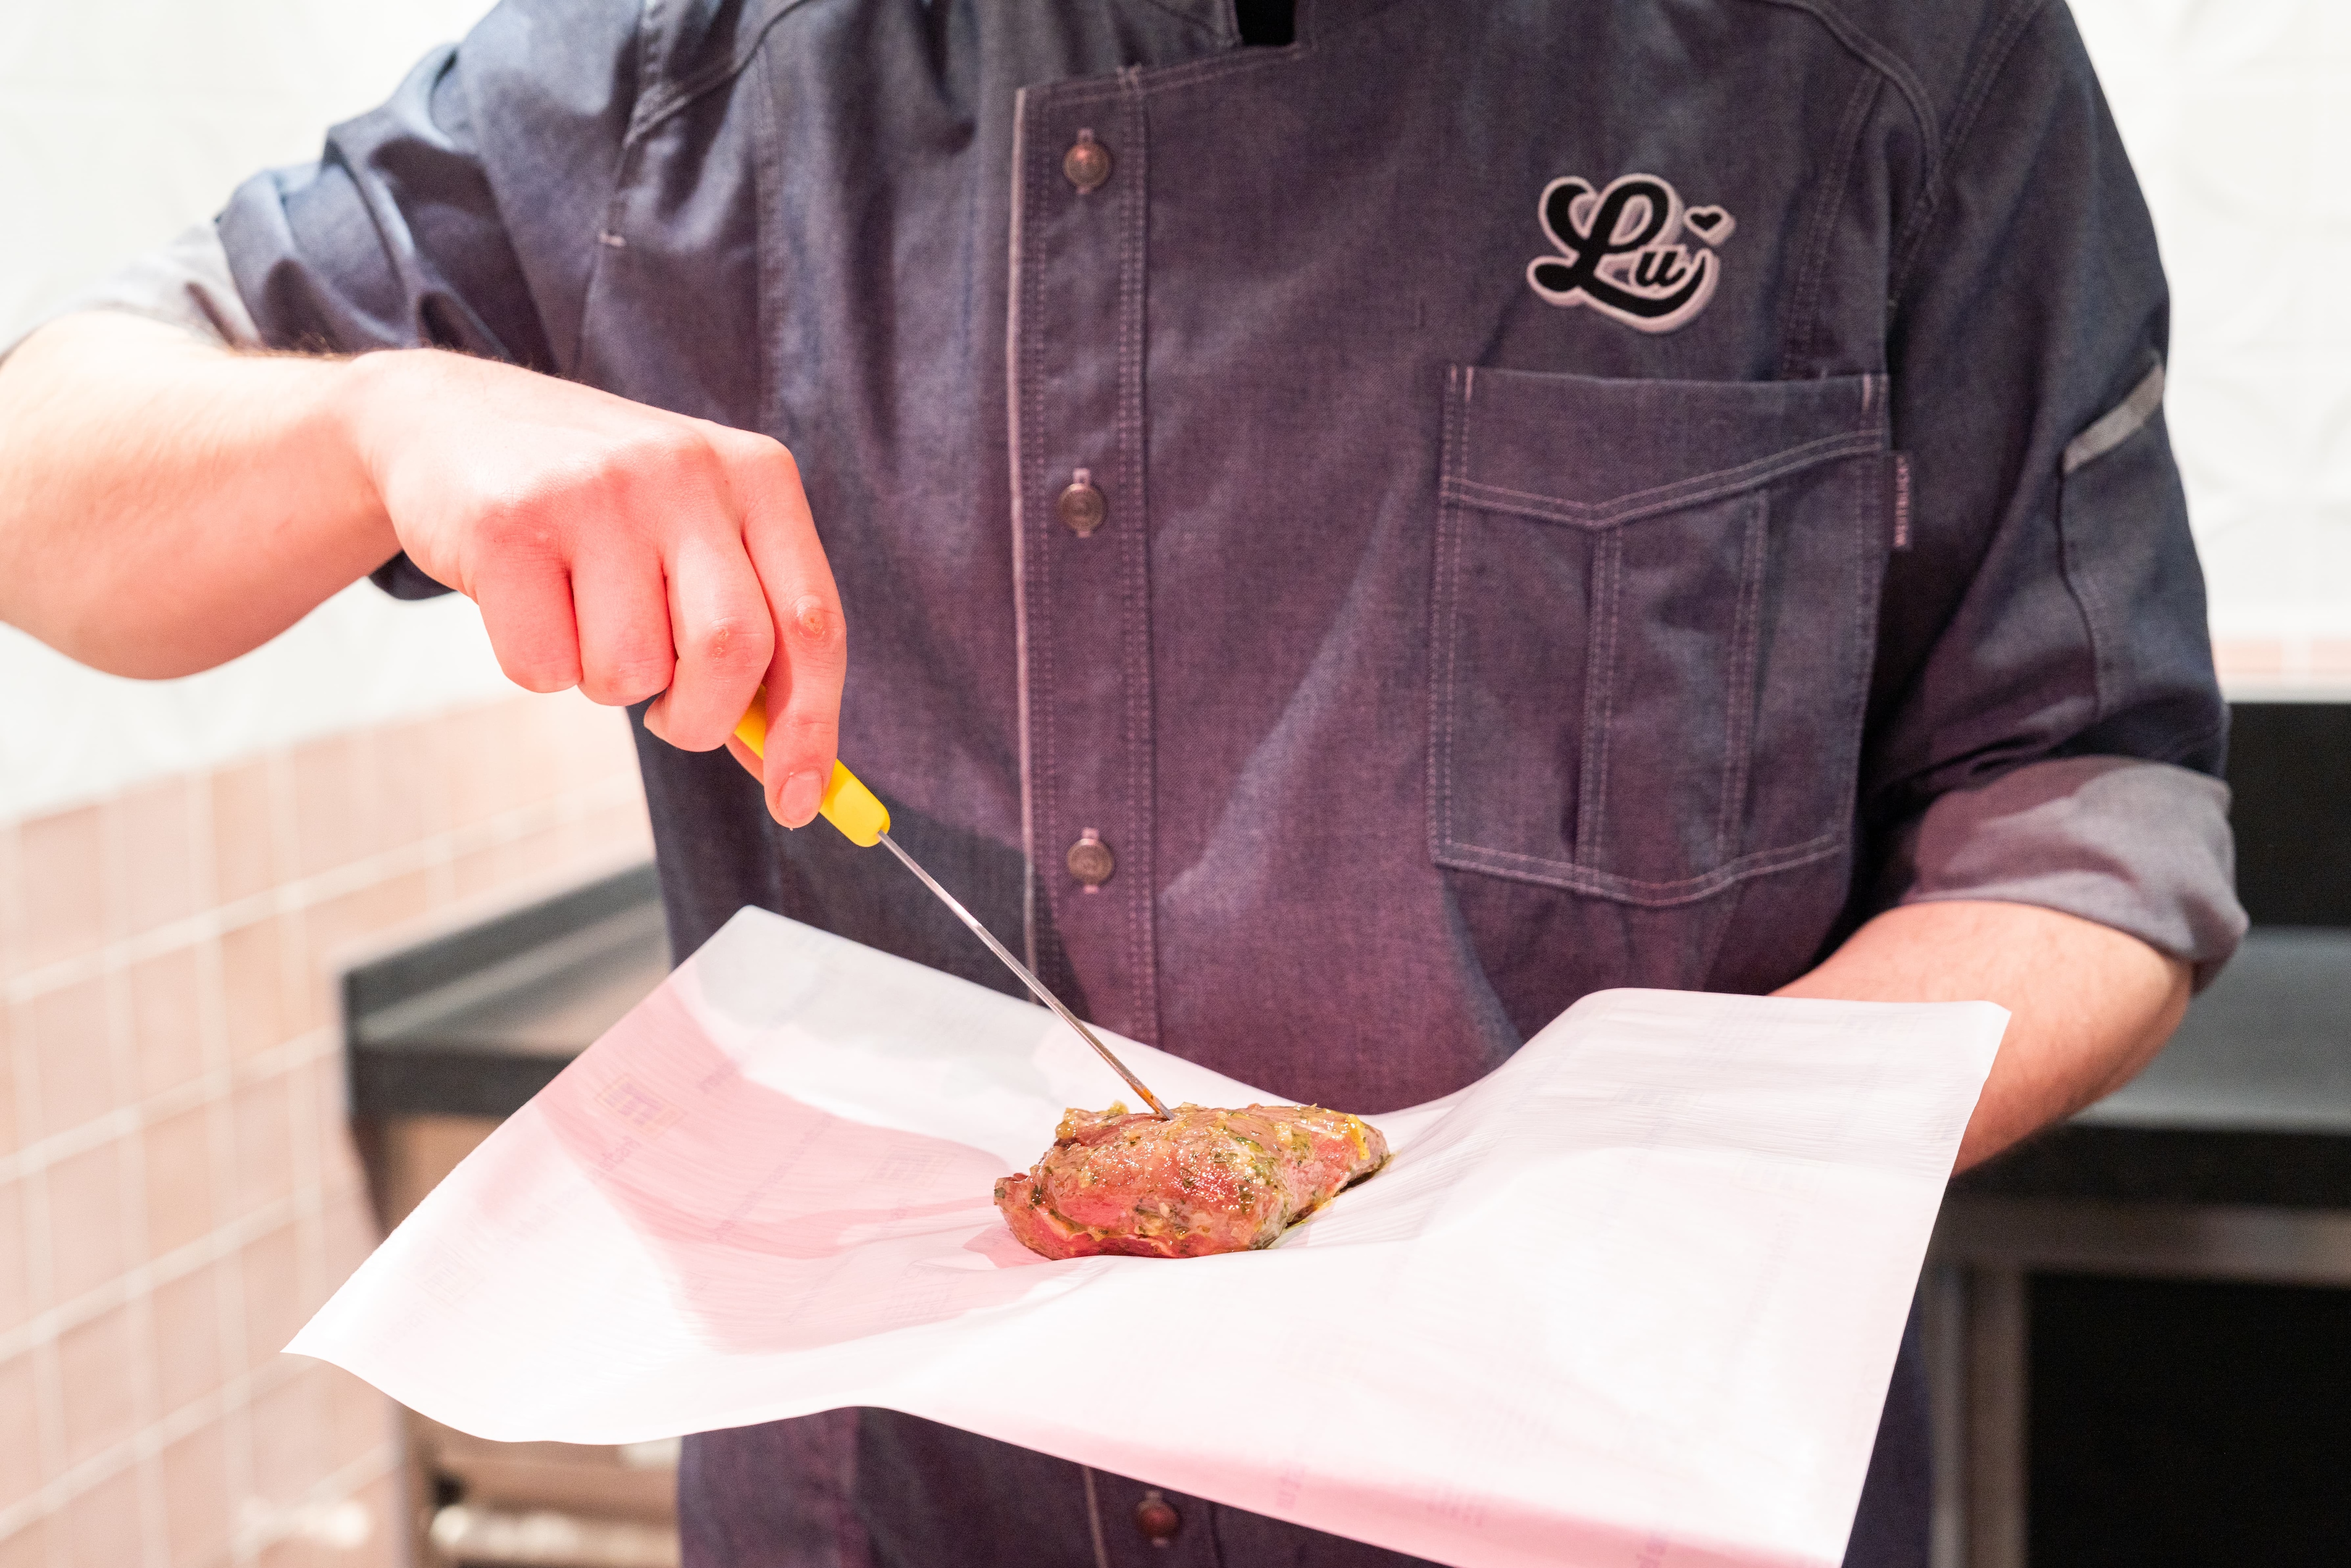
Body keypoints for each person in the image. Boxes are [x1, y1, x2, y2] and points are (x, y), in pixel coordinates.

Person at [0, 0, 2244, 1562]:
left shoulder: (1879, 59)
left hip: (1600, 1492)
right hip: (893, 1512)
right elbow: (47, 466)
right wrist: (381, 420)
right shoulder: (666, 79)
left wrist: (1614, 1178)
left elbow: (2087, 811)